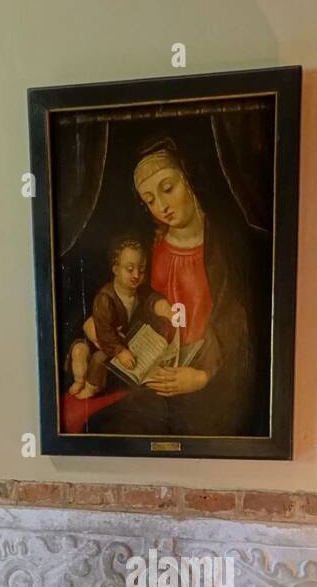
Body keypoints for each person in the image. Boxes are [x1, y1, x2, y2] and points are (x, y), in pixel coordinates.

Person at [86, 138, 264, 438]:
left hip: (211, 376)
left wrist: (202, 376)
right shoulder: (151, 246)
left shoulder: (226, 244)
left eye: (168, 189)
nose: (162, 207)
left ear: (190, 180)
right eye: (150, 200)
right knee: (113, 428)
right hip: (155, 369)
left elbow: (236, 322)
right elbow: (140, 304)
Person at [67, 236, 174, 401]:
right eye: (130, 269)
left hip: (124, 342)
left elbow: (151, 298)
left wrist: (161, 305)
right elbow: (103, 331)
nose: (136, 275)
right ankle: (87, 385)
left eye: (142, 269)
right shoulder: (105, 298)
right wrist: (120, 351)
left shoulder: (139, 292)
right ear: (116, 269)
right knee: (92, 357)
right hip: (103, 341)